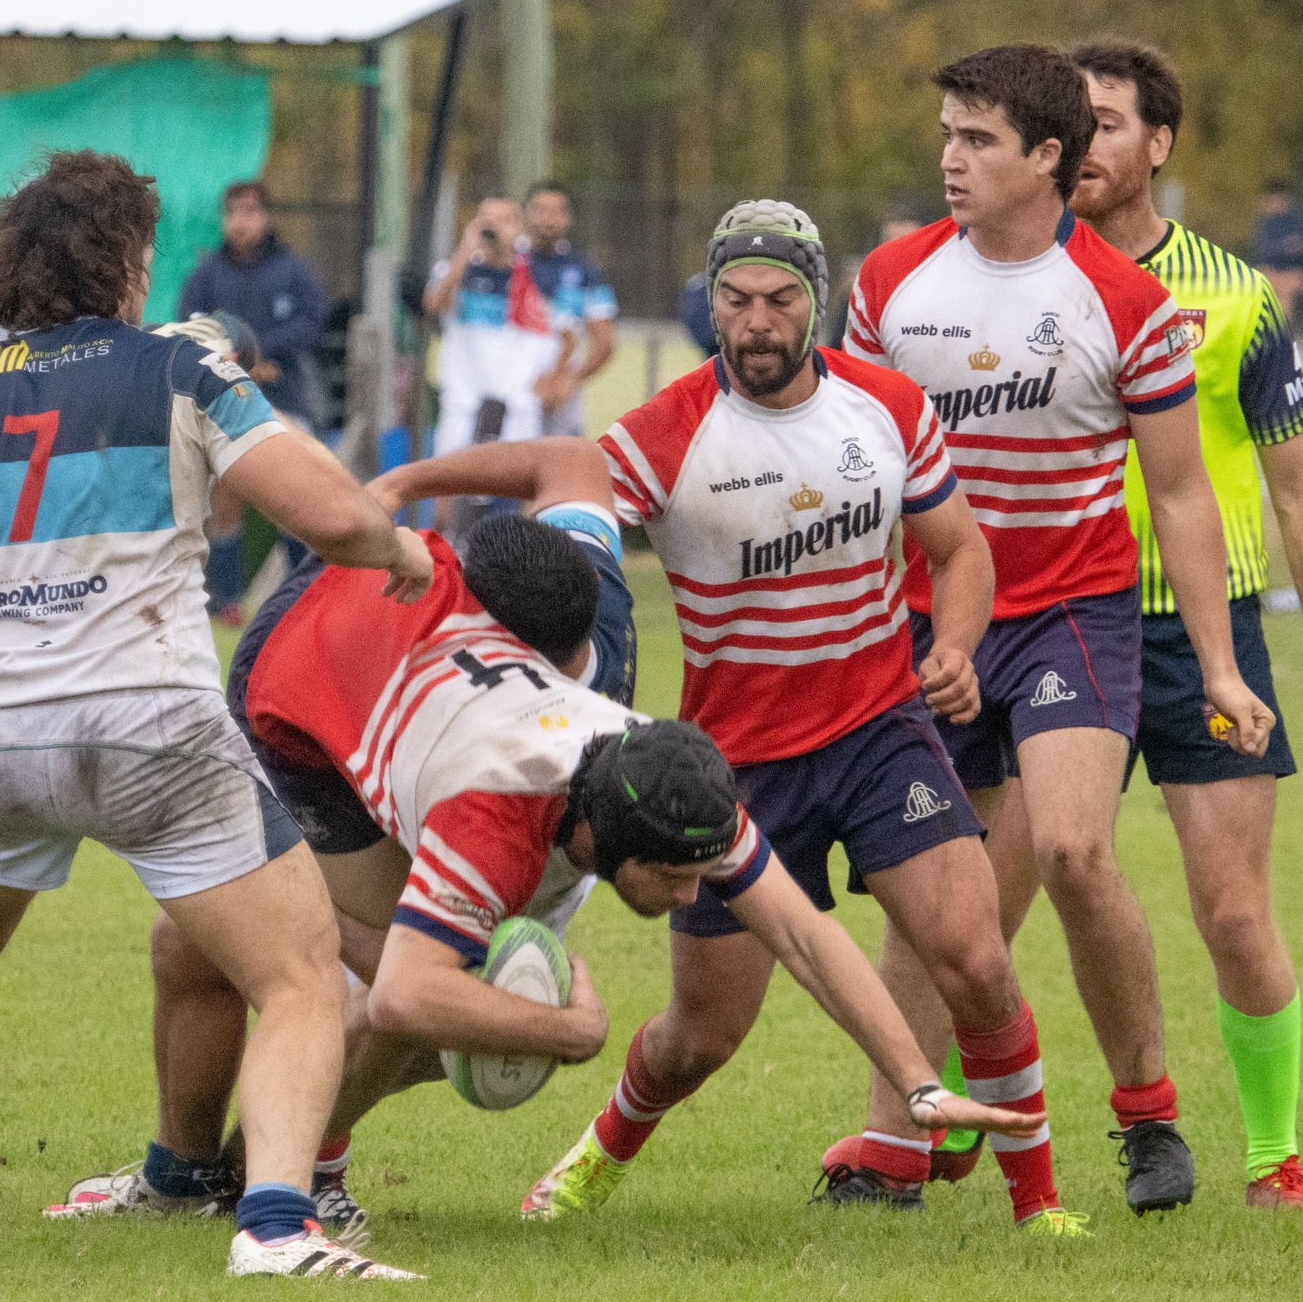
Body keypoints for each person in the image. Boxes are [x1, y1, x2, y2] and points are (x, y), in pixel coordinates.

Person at [55, 446, 1039, 1246]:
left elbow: (799, 932)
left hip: (460, 692)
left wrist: (914, 1078)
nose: (703, 888)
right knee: (347, 977)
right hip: (293, 697)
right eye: (684, 874)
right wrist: (572, 1031)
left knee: (460, 997)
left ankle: (258, 1162)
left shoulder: (651, 745)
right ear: (612, 845)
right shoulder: (492, 808)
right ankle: (238, 1177)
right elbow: (402, 986)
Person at [0, 149, 429, 1278]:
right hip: (154, 724)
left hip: (4, 736)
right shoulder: (179, 368)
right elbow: (325, 513)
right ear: (125, 261)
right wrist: (390, 542)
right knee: (298, 970)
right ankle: (275, 1227)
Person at [543, 199, 1079, 1234]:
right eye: (733, 300)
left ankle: (1038, 1204)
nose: (754, 322)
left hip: (881, 734)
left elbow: (959, 550)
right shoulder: (664, 431)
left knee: (974, 957)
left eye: (779, 299)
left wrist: (954, 648)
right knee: (700, 1035)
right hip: (737, 765)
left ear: (815, 304)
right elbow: (564, 493)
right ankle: (595, 1154)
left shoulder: (884, 405)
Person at [841, 43, 1276, 1215]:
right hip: (929, 616)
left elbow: (1180, 495)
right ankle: (899, 1139)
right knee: (938, 888)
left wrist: (1225, 668)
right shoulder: (886, 285)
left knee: (1076, 850)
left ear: (1047, 156)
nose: (949, 157)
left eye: (977, 139)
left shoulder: (1126, 304)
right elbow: (850, 467)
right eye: (945, 133)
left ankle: (1146, 1118)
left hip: (1071, 614)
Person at [51, 436, 638, 1242]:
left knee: (397, 998)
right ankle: (189, 1177)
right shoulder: (586, 587)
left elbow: (413, 982)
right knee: (194, 939)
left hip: (479, 837)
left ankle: (300, 1172)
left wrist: (526, 1014)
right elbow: (573, 461)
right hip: (368, 761)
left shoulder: (506, 753)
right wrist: (402, 479)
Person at [1070, 39, 1303, 1208]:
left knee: (1233, 908)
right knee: (981, 891)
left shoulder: (1234, 293)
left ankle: (1269, 1154)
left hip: (1206, 637)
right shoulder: (1016, 286)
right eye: (1068, 121)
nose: (1083, 143)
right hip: (1055, 623)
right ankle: (933, 1126)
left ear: (1157, 142)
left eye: (1104, 121)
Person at [176, 183, 327, 621]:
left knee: (293, 495)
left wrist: (259, 354)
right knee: (224, 496)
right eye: (233, 212)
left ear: (265, 216)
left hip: (284, 396)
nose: (241, 220)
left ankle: (304, 594)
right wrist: (237, 361)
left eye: (250, 211)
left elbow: (312, 322)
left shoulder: (294, 270)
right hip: (223, 396)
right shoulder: (205, 275)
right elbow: (191, 327)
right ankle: (225, 601)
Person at [423, 197, 577, 526]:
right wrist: (466, 249)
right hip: (464, 398)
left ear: (519, 227)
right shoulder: (455, 270)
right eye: (486, 218)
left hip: (517, 399)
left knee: (519, 492)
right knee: (446, 493)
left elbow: (567, 335)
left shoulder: (535, 277)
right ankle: (445, 562)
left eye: (504, 219)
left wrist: (554, 378)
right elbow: (434, 304)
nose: (494, 226)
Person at [521, 182, 618, 436]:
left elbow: (604, 343)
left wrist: (569, 381)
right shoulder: (507, 263)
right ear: (526, 214)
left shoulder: (585, 270)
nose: (548, 220)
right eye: (540, 210)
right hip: (512, 394)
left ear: (568, 218)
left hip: (562, 403)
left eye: (556, 212)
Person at [1252, 180, 1303, 319]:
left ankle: (1280, 326)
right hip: (1272, 269)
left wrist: (1285, 248)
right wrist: (1285, 247)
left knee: (1285, 286)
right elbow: (1263, 250)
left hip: (1295, 270)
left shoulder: (1299, 220)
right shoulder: (1265, 222)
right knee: (1265, 282)